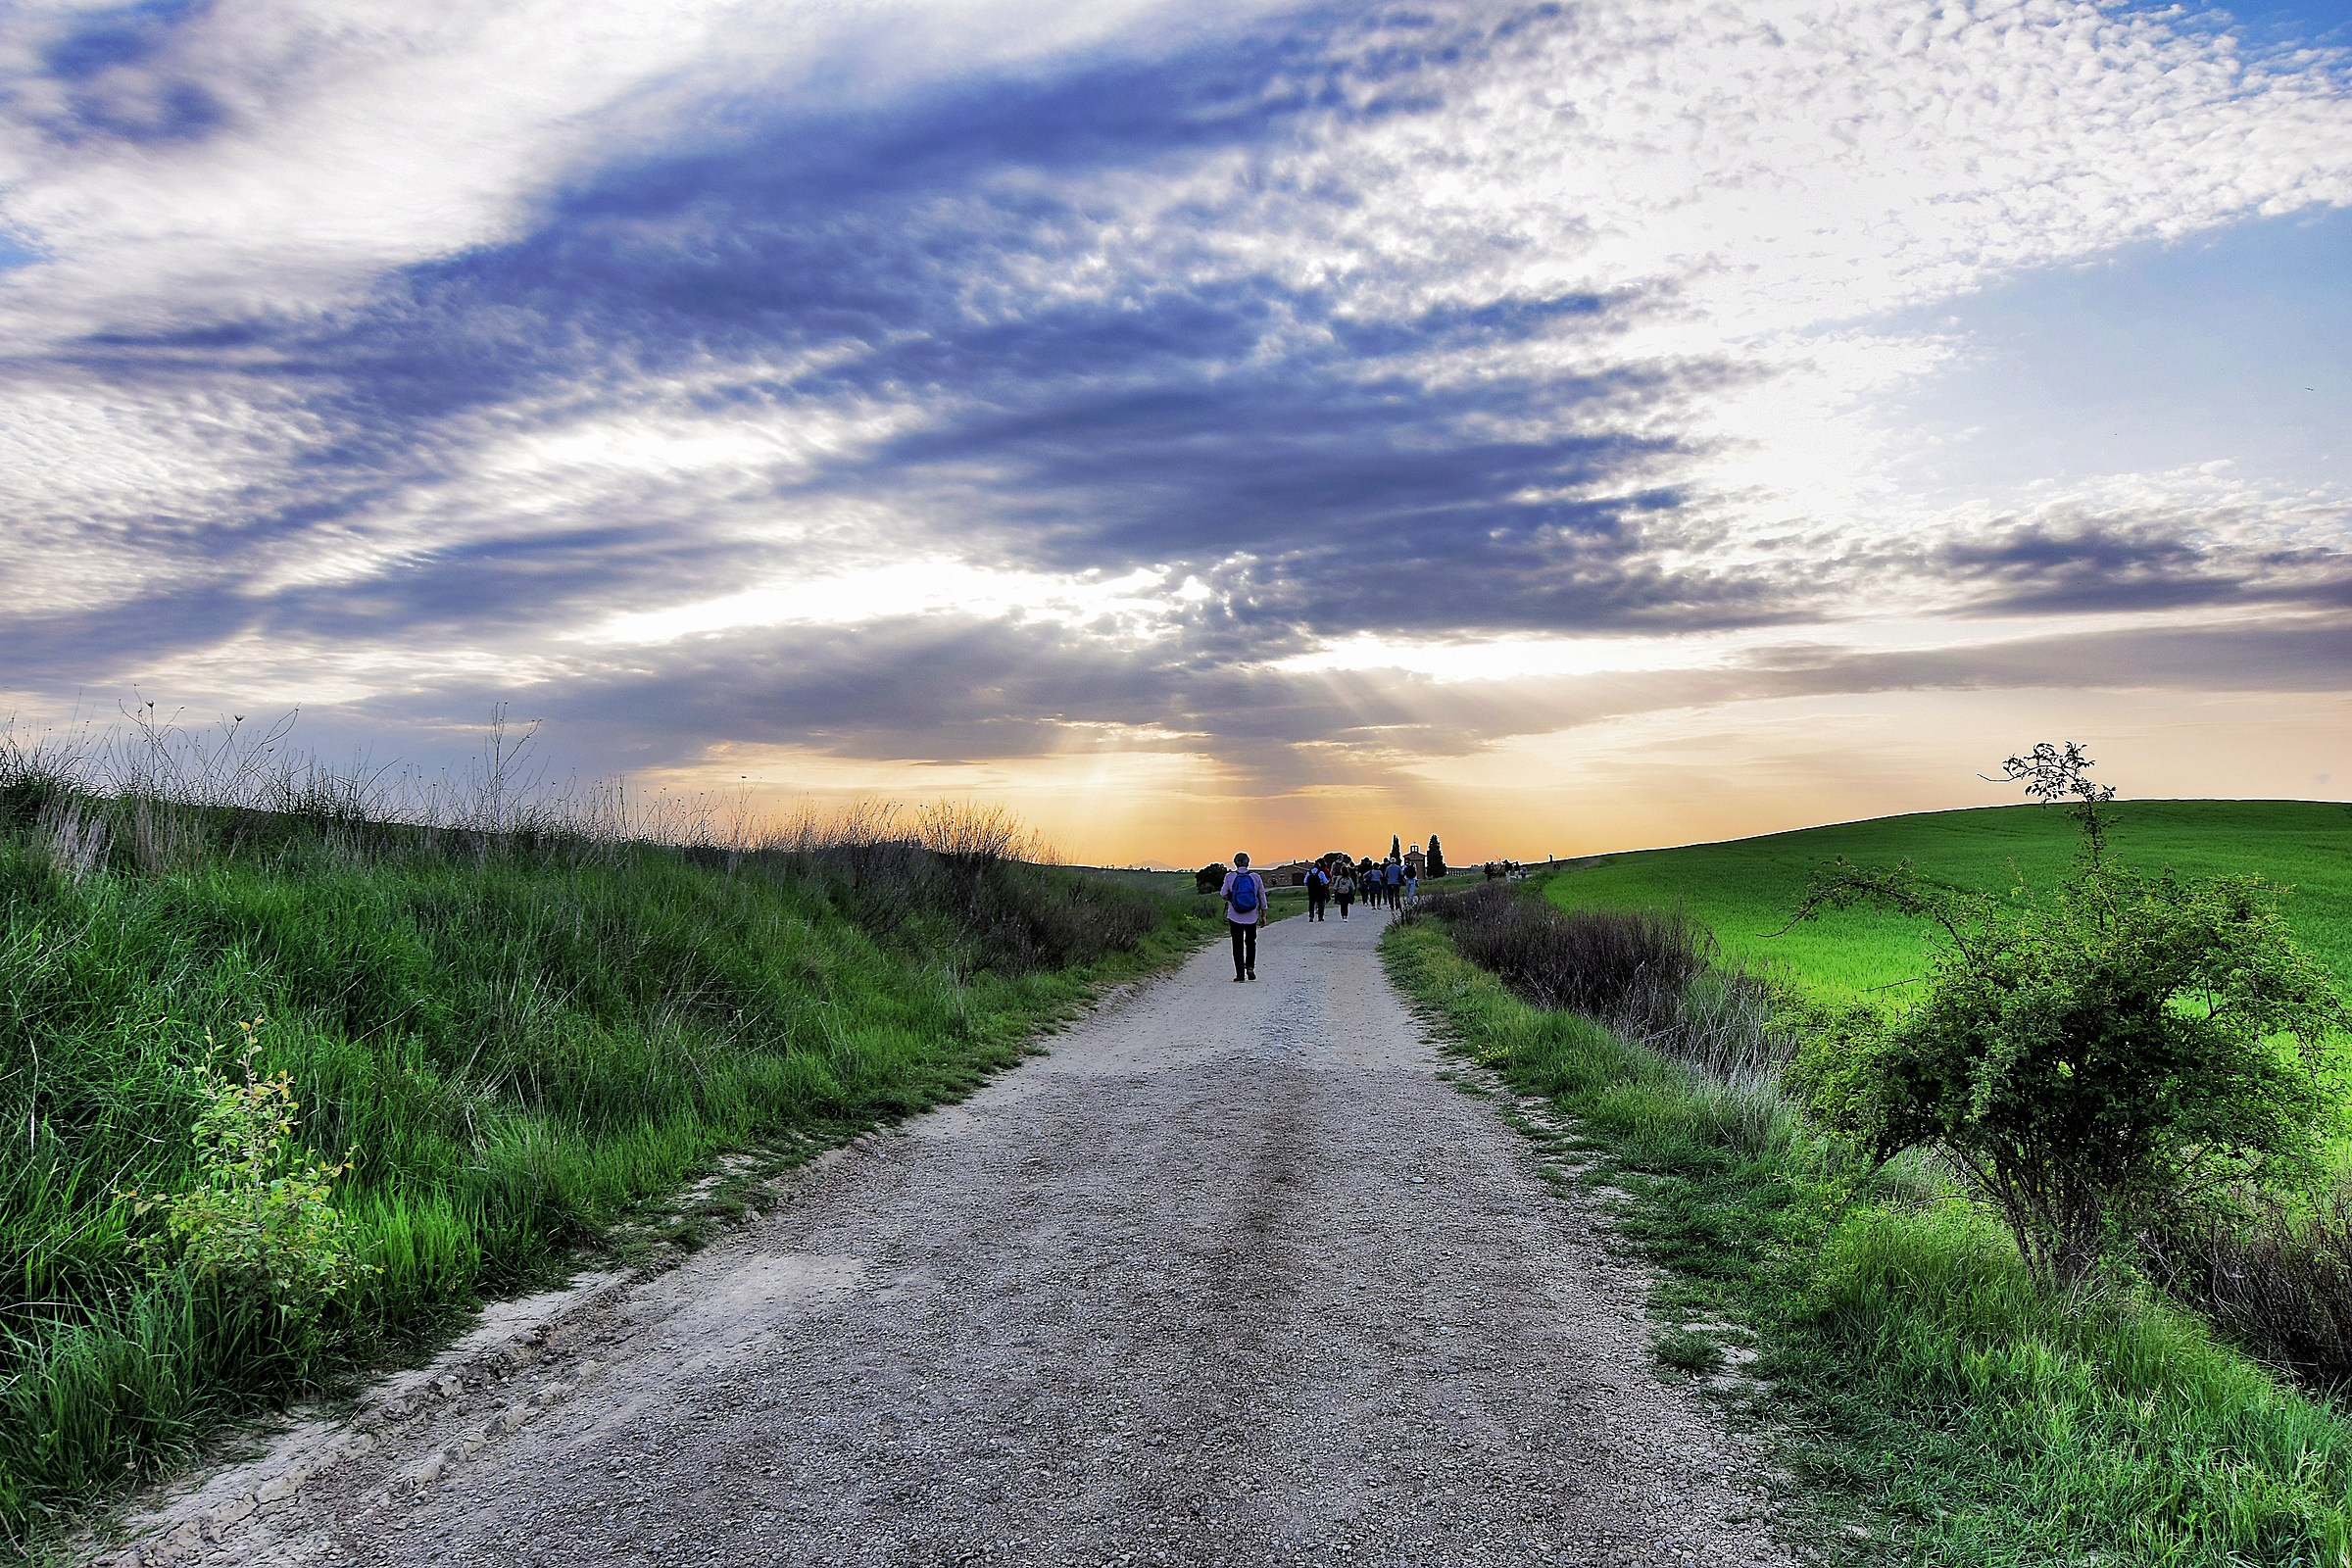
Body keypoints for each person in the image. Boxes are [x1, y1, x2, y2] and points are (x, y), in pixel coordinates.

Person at [1220, 852, 1267, 981]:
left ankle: (1240, 974)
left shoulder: (1230, 877)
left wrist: (1231, 897)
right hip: (1251, 915)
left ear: (1235, 863)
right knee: (1251, 942)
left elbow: (1223, 893)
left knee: (1237, 944)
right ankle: (1250, 967)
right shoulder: (1256, 877)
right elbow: (1262, 896)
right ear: (1248, 863)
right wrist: (1263, 914)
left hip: (1235, 915)